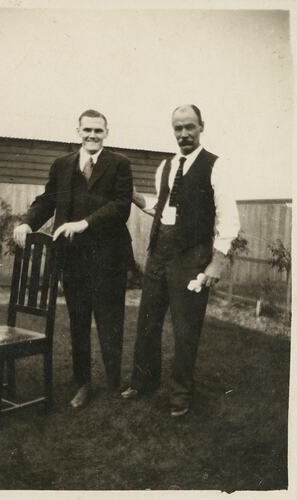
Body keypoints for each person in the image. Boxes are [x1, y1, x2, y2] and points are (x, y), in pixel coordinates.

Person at [122, 104, 240, 417]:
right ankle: (143, 382)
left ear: (201, 127)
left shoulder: (216, 166)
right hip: (159, 254)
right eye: (178, 128)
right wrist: (134, 196)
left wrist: (217, 263)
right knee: (147, 322)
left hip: (192, 258)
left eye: (189, 127)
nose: (184, 134)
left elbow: (230, 220)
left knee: (186, 330)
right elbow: (162, 209)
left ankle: (180, 395)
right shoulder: (165, 166)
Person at [14, 109, 133, 409]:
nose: (92, 135)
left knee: (111, 321)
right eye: (87, 130)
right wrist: (28, 222)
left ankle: (115, 382)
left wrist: (85, 223)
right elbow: (48, 201)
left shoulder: (120, 164)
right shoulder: (62, 165)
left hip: (110, 258)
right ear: (77, 131)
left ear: (107, 132)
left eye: (98, 130)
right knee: (79, 322)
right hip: (73, 259)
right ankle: (83, 383)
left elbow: (121, 206)